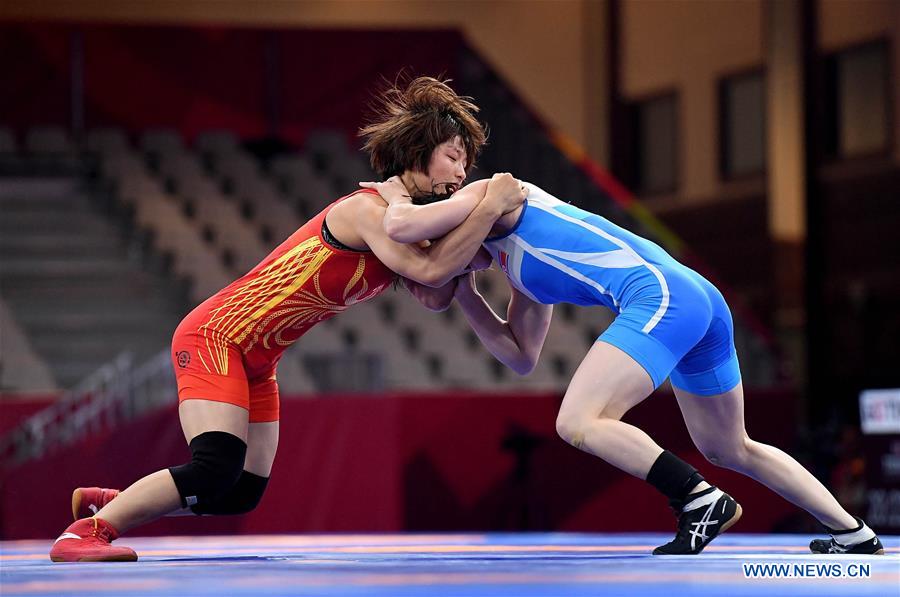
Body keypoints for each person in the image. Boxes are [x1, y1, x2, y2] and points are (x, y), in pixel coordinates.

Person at [49, 76, 527, 562]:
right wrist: (488, 206)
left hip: (259, 360)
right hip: (217, 336)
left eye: (467, 160)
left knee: (241, 492)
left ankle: (117, 503)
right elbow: (430, 270)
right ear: (418, 152)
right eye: (453, 155)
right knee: (216, 467)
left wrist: (472, 249)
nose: (463, 171)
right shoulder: (369, 210)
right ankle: (86, 532)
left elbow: (435, 296)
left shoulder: (406, 222)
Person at [366, 176, 885, 556]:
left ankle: (699, 500)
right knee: (730, 445)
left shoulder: (495, 196)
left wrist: (393, 193)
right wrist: (469, 295)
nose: (444, 273)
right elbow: (520, 357)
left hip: (663, 296)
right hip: (693, 298)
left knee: (577, 421)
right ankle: (853, 532)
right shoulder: (517, 274)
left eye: (444, 263)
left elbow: (401, 223)